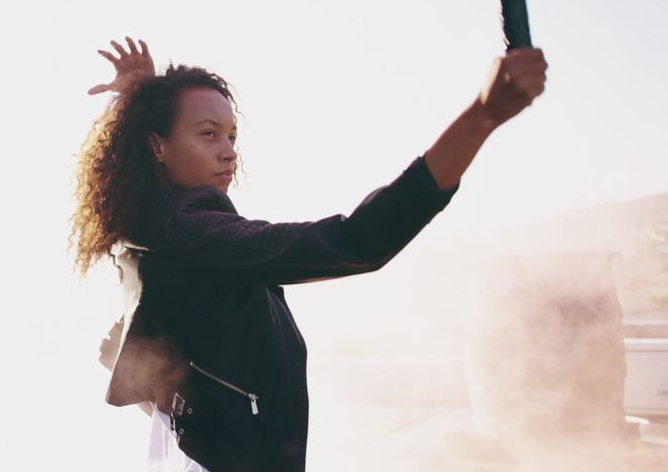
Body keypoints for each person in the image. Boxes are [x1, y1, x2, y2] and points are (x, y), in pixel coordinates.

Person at [71, 36, 548, 471]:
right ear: (157, 145)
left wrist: (146, 96)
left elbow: (150, 364)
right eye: (208, 133)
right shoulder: (190, 229)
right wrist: (482, 117)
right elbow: (353, 243)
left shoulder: (151, 226)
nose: (229, 152)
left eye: (232, 136)